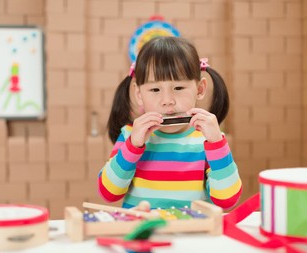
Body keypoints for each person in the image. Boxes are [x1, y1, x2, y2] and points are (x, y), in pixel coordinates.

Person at [98, 36, 242, 210]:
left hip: (192, 234)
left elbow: (227, 200)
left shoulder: (210, 140)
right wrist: (132, 146)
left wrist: (217, 144)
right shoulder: (130, 136)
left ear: (200, 89)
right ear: (138, 94)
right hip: (144, 234)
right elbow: (108, 193)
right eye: (155, 89)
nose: (167, 100)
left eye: (179, 88)